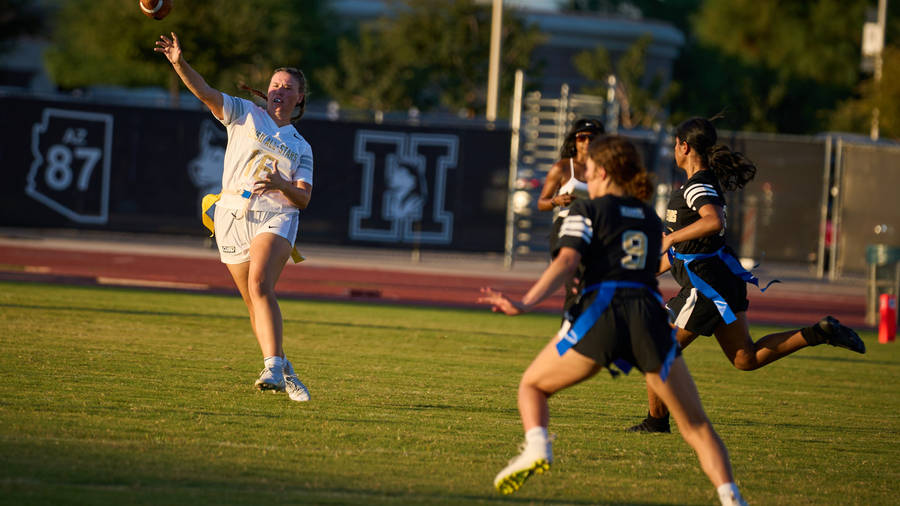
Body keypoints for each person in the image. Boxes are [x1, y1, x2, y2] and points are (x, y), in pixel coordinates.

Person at [479, 136, 748, 506]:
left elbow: (566, 262)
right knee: (697, 426)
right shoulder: (649, 217)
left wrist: (524, 303)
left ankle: (538, 447)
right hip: (651, 317)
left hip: (604, 313)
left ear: (602, 171)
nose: (586, 175)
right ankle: (732, 499)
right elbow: (651, 265)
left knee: (532, 387)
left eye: (589, 169)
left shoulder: (587, 210)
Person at [626, 117, 865, 433]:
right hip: (720, 278)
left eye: (675, 144)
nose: (674, 149)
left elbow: (712, 222)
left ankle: (657, 422)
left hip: (706, 285)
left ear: (683, 146)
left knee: (657, 350)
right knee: (745, 358)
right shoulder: (697, 183)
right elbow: (685, 249)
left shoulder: (697, 185)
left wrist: (670, 237)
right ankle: (819, 333)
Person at [155, 32, 312, 402]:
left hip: (276, 214)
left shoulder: (301, 146)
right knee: (252, 300)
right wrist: (179, 62)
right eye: (275, 84)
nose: (279, 90)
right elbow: (205, 91)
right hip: (230, 213)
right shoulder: (244, 112)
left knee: (260, 285)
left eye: (288, 87)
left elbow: (303, 197)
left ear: (299, 98)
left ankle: (271, 367)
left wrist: (279, 183)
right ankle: (284, 366)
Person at [537, 118, 604, 312]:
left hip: (594, 228)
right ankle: (569, 334)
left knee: (593, 286)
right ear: (574, 141)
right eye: (581, 137)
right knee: (574, 286)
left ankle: (584, 334)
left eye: (592, 138)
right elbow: (542, 203)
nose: (586, 142)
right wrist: (556, 201)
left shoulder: (603, 169)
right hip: (567, 227)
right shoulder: (563, 167)